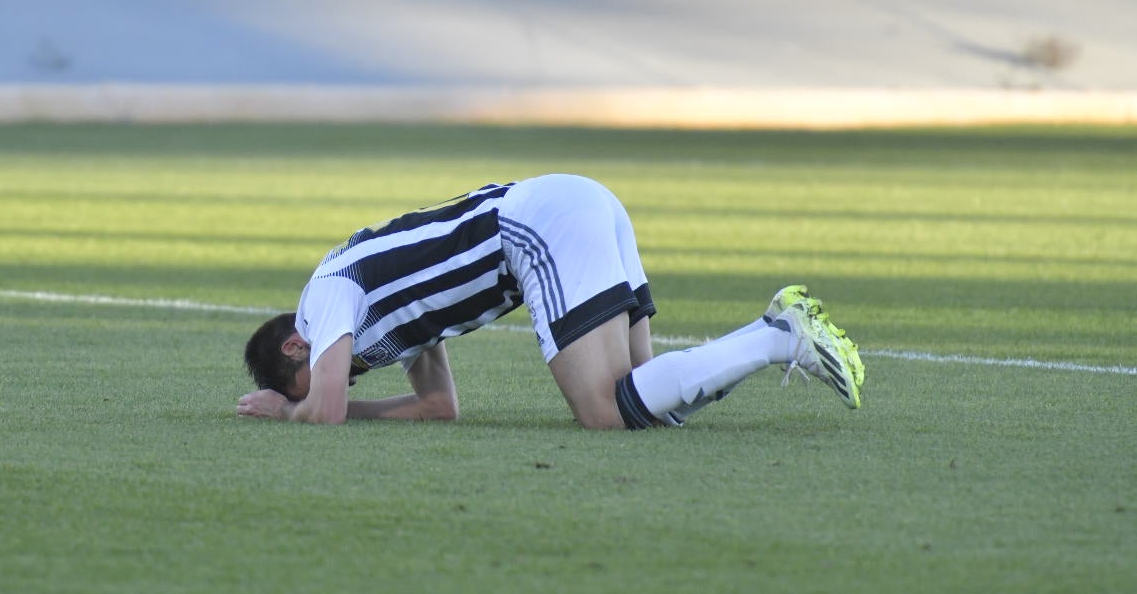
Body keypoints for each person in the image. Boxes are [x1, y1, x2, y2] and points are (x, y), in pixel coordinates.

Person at [238, 175, 863, 429]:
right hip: (574, 205)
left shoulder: (323, 301)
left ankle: (779, 336)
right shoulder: (385, 317)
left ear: (299, 344)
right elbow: (437, 407)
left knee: (600, 410)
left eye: (318, 373)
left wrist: (286, 409)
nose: (337, 378)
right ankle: (774, 331)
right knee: (643, 403)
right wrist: (344, 405)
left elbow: (326, 411)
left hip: (534, 226)